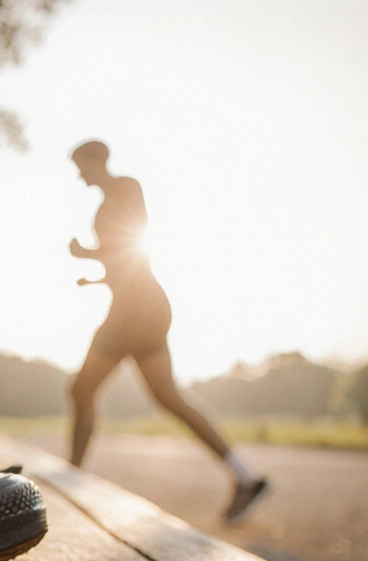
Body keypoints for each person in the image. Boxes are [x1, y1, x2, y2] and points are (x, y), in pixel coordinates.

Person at [66, 140, 267, 522]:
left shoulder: (125, 187)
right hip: (141, 307)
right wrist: (92, 280)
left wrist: (86, 253)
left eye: (81, 165)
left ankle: (72, 482)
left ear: (97, 159)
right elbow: (122, 267)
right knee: (168, 397)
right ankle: (247, 476)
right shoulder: (106, 204)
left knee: (81, 389)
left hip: (135, 311)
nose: (79, 175)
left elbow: (132, 242)